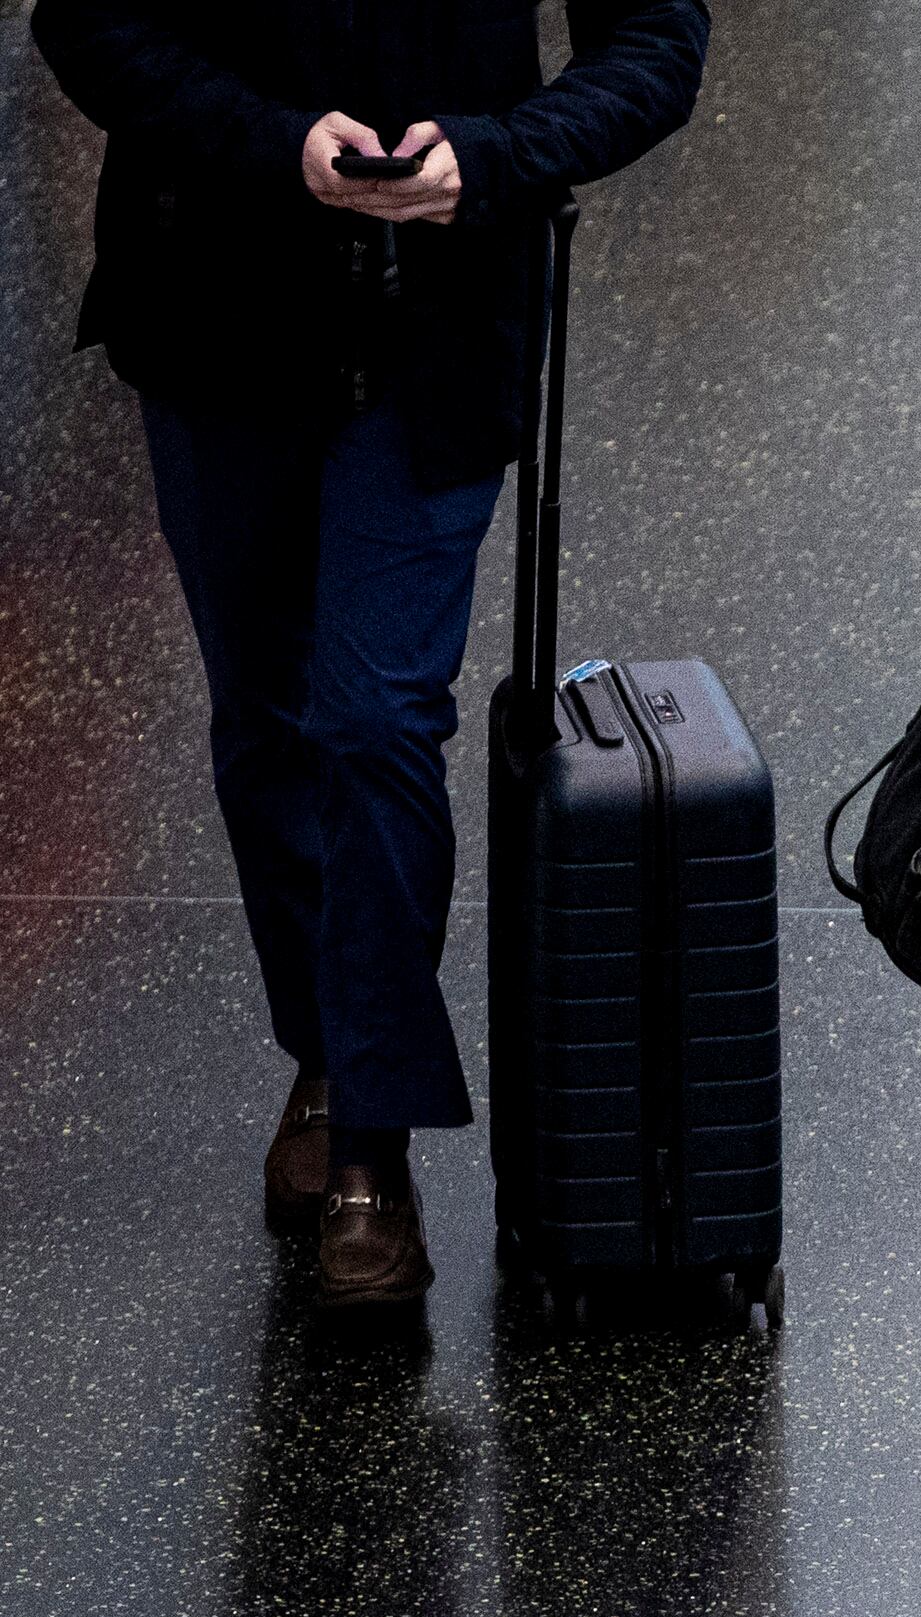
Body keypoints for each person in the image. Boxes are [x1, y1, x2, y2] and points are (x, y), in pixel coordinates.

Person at [31, 0, 712, 1309]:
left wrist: (496, 156)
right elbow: (89, 23)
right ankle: (333, 1049)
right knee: (266, 724)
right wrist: (279, 147)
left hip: (435, 335)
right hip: (215, 310)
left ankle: (369, 1151)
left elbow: (659, 44)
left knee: (375, 720)